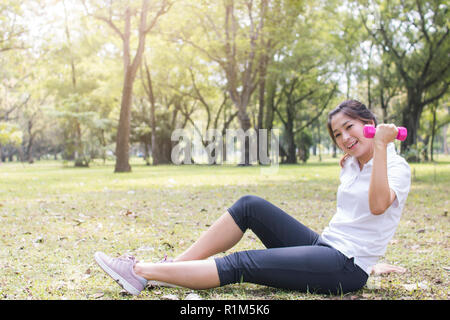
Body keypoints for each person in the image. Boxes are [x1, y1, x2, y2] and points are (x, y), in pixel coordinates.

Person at [94, 99, 411, 296]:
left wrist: (381, 147)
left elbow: (378, 205)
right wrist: (373, 265)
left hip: (343, 267)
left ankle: (139, 272)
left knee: (241, 263)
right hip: (327, 249)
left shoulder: (396, 166)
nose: (344, 138)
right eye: (337, 134)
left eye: (349, 128)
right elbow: (358, 225)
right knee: (250, 206)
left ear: (370, 126)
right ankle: (175, 268)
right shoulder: (352, 164)